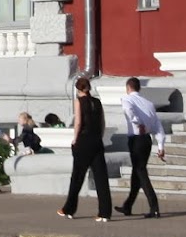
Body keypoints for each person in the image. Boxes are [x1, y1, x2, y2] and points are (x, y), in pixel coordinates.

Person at [57, 75, 112, 222]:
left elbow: (78, 122)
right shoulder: (97, 102)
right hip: (96, 141)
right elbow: (102, 122)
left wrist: (75, 138)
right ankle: (104, 213)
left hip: (84, 141)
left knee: (77, 177)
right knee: (101, 178)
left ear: (78, 89)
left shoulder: (79, 102)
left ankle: (69, 209)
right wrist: (99, 136)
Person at [119, 78, 164, 218]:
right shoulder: (149, 104)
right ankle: (128, 206)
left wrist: (138, 122)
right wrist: (161, 145)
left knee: (141, 172)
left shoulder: (127, 99)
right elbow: (157, 125)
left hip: (136, 139)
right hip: (147, 140)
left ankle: (154, 206)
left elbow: (129, 111)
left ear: (128, 87)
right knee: (137, 173)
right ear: (139, 88)